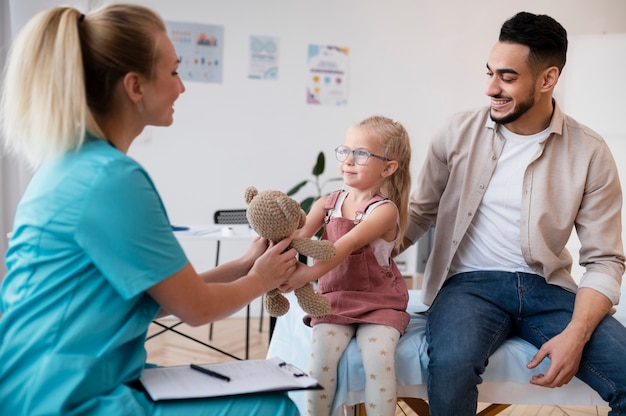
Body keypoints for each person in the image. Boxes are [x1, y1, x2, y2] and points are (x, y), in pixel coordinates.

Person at [0, 4, 300, 416]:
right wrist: (263, 278)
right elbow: (200, 310)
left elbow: (168, 296)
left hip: (44, 382)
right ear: (135, 86)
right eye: (174, 71)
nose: (182, 87)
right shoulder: (111, 178)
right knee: (272, 408)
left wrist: (248, 264)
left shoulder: (71, 164)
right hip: (63, 398)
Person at [399, 11, 626, 416]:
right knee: (451, 366)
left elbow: (605, 259)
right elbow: (418, 214)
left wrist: (576, 334)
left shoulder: (590, 152)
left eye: (506, 77)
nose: (490, 88)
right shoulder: (455, 133)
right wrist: (352, 251)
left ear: (547, 79)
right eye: (489, 73)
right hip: (467, 286)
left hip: (548, 289)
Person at [281, 115, 412, 416]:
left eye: (362, 154)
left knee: (378, 361)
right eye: (346, 151)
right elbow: (300, 238)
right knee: (319, 362)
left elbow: (346, 244)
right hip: (334, 301)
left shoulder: (384, 211)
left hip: (379, 304)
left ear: (388, 167)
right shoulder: (325, 203)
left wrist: (309, 274)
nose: (349, 161)